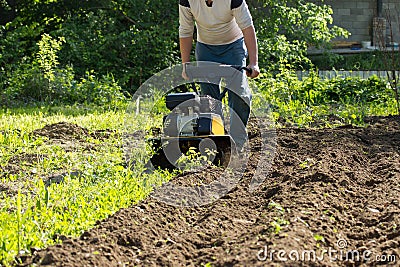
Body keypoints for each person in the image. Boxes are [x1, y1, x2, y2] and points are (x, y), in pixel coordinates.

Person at [179, 0, 259, 151]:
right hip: (205, 48)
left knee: (239, 93)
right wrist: (186, 64)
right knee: (209, 98)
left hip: (233, 46)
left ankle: (238, 142)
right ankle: (217, 140)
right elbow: (185, 30)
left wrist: (253, 63)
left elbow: (247, 27)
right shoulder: (187, 1)